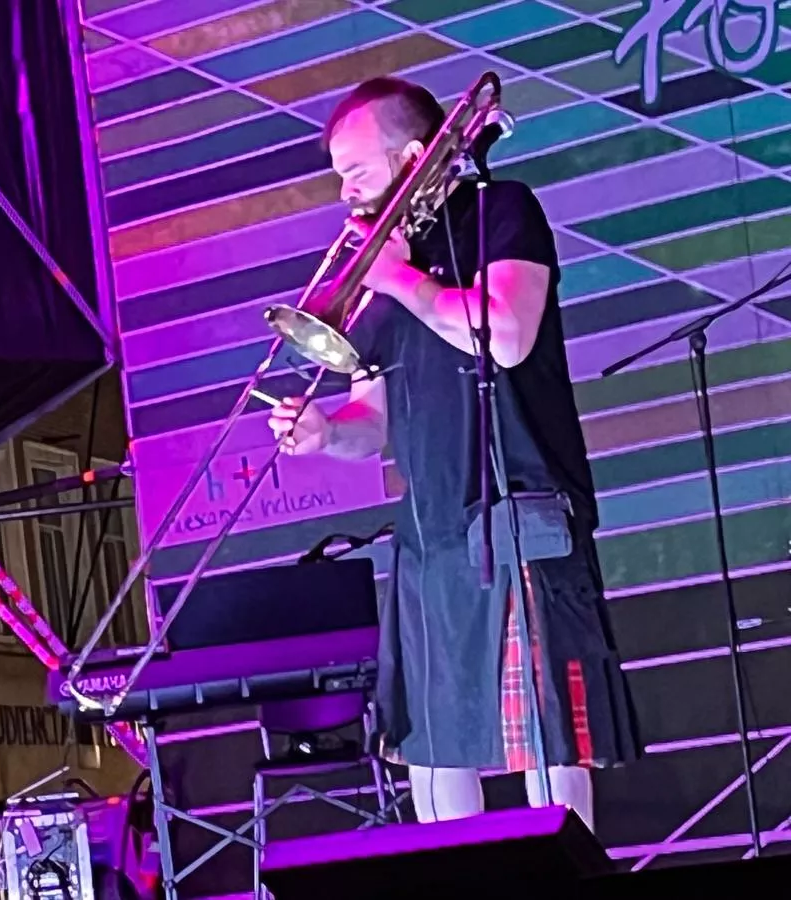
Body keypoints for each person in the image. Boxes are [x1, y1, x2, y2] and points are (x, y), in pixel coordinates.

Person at [267, 78, 639, 829]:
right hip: (430, 535)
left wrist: (402, 278)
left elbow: (505, 334)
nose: (344, 193)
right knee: (435, 752)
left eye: (357, 172)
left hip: (516, 515)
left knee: (545, 741)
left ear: (412, 158)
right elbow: (374, 419)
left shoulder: (500, 213)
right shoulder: (381, 272)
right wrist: (326, 433)